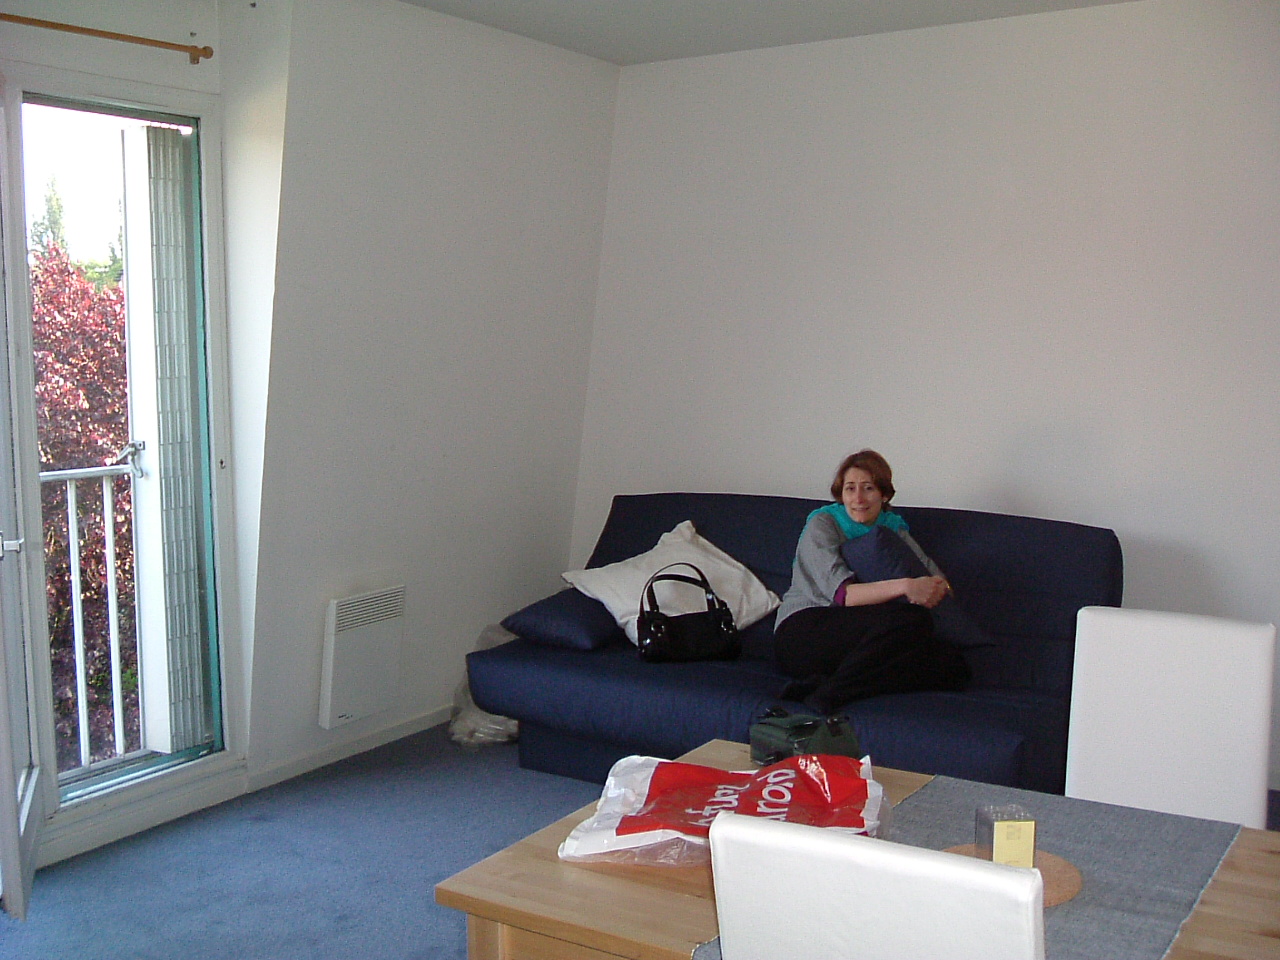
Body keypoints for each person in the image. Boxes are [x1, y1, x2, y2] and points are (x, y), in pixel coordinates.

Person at [774, 449, 969, 712]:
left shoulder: (892, 528)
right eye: (850, 489)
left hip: (859, 641)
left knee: (954, 667)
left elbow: (936, 578)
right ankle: (829, 695)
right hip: (803, 631)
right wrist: (906, 586)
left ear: (884, 494)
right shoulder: (823, 524)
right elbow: (844, 596)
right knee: (912, 619)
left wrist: (936, 587)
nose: (858, 498)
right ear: (841, 494)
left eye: (868, 488)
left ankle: (822, 685)